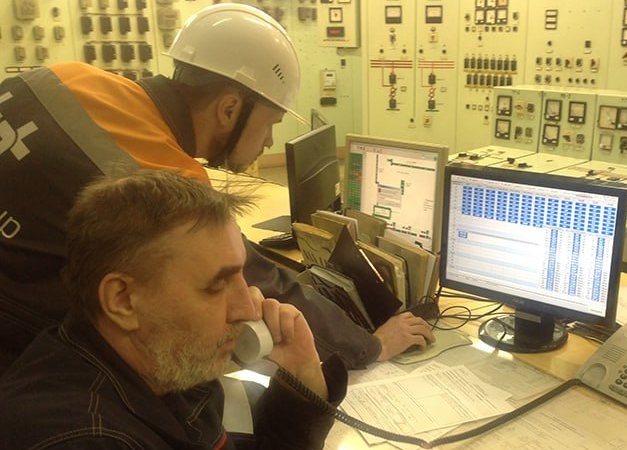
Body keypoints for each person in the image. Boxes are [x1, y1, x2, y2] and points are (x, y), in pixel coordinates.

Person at [0, 3, 433, 373]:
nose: (268, 141)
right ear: (229, 109)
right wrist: (370, 346)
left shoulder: (67, 76)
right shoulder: (160, 177)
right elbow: (252, 281)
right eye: (271, 123)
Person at [0, 170, 346, 449]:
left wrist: (302, 382)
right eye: (217, 284)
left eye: (241, 275)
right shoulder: (84, 439)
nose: (249, 307)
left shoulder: (168, 363)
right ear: (123, 300)